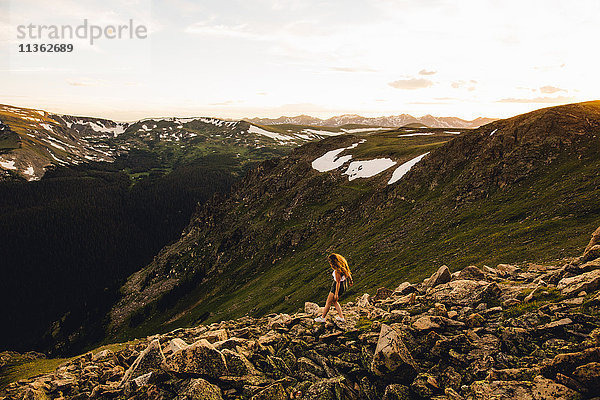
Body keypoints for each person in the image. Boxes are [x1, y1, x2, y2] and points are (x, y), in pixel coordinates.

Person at [315, 253, 353, 323]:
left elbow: (338, 283)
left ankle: (322, 318)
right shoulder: (344, 265)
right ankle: (341, 317)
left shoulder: (337, 271)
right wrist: (351, 280)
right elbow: (348, 273)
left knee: (328, 302)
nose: (330, 264)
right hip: (344, 284)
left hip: (337, 286)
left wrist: (336, 294)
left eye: (330, 262)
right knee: (334, 302)